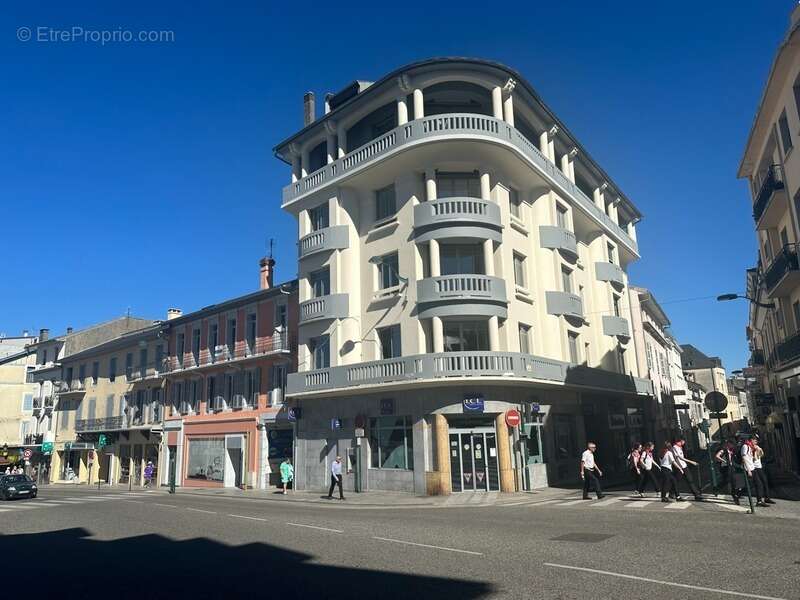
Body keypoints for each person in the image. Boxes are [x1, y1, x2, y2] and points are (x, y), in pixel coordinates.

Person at [751, 437, 774, 506]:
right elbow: (754, 458)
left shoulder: (757, 447)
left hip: (759, 466)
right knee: (759, 484)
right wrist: (756, 451)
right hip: (755, 467)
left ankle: (767, 498)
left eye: (756, 441)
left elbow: (761, 455)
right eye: (755, 441)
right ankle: (759, 500)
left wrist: (760, 451)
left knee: (765, 481)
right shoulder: (750, 448)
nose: (756, 442)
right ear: (751, 441)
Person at [714, 440, 739, 504]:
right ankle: (717, 488)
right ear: (728, 444)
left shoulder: (731, 450)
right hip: (725, 467)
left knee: (733, 480)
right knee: (727, 480)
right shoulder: (723, 450)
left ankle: (734, 495)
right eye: (731, 444)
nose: (732, 446)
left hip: (730, 467)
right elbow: (717, 456)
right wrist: (724, 461)